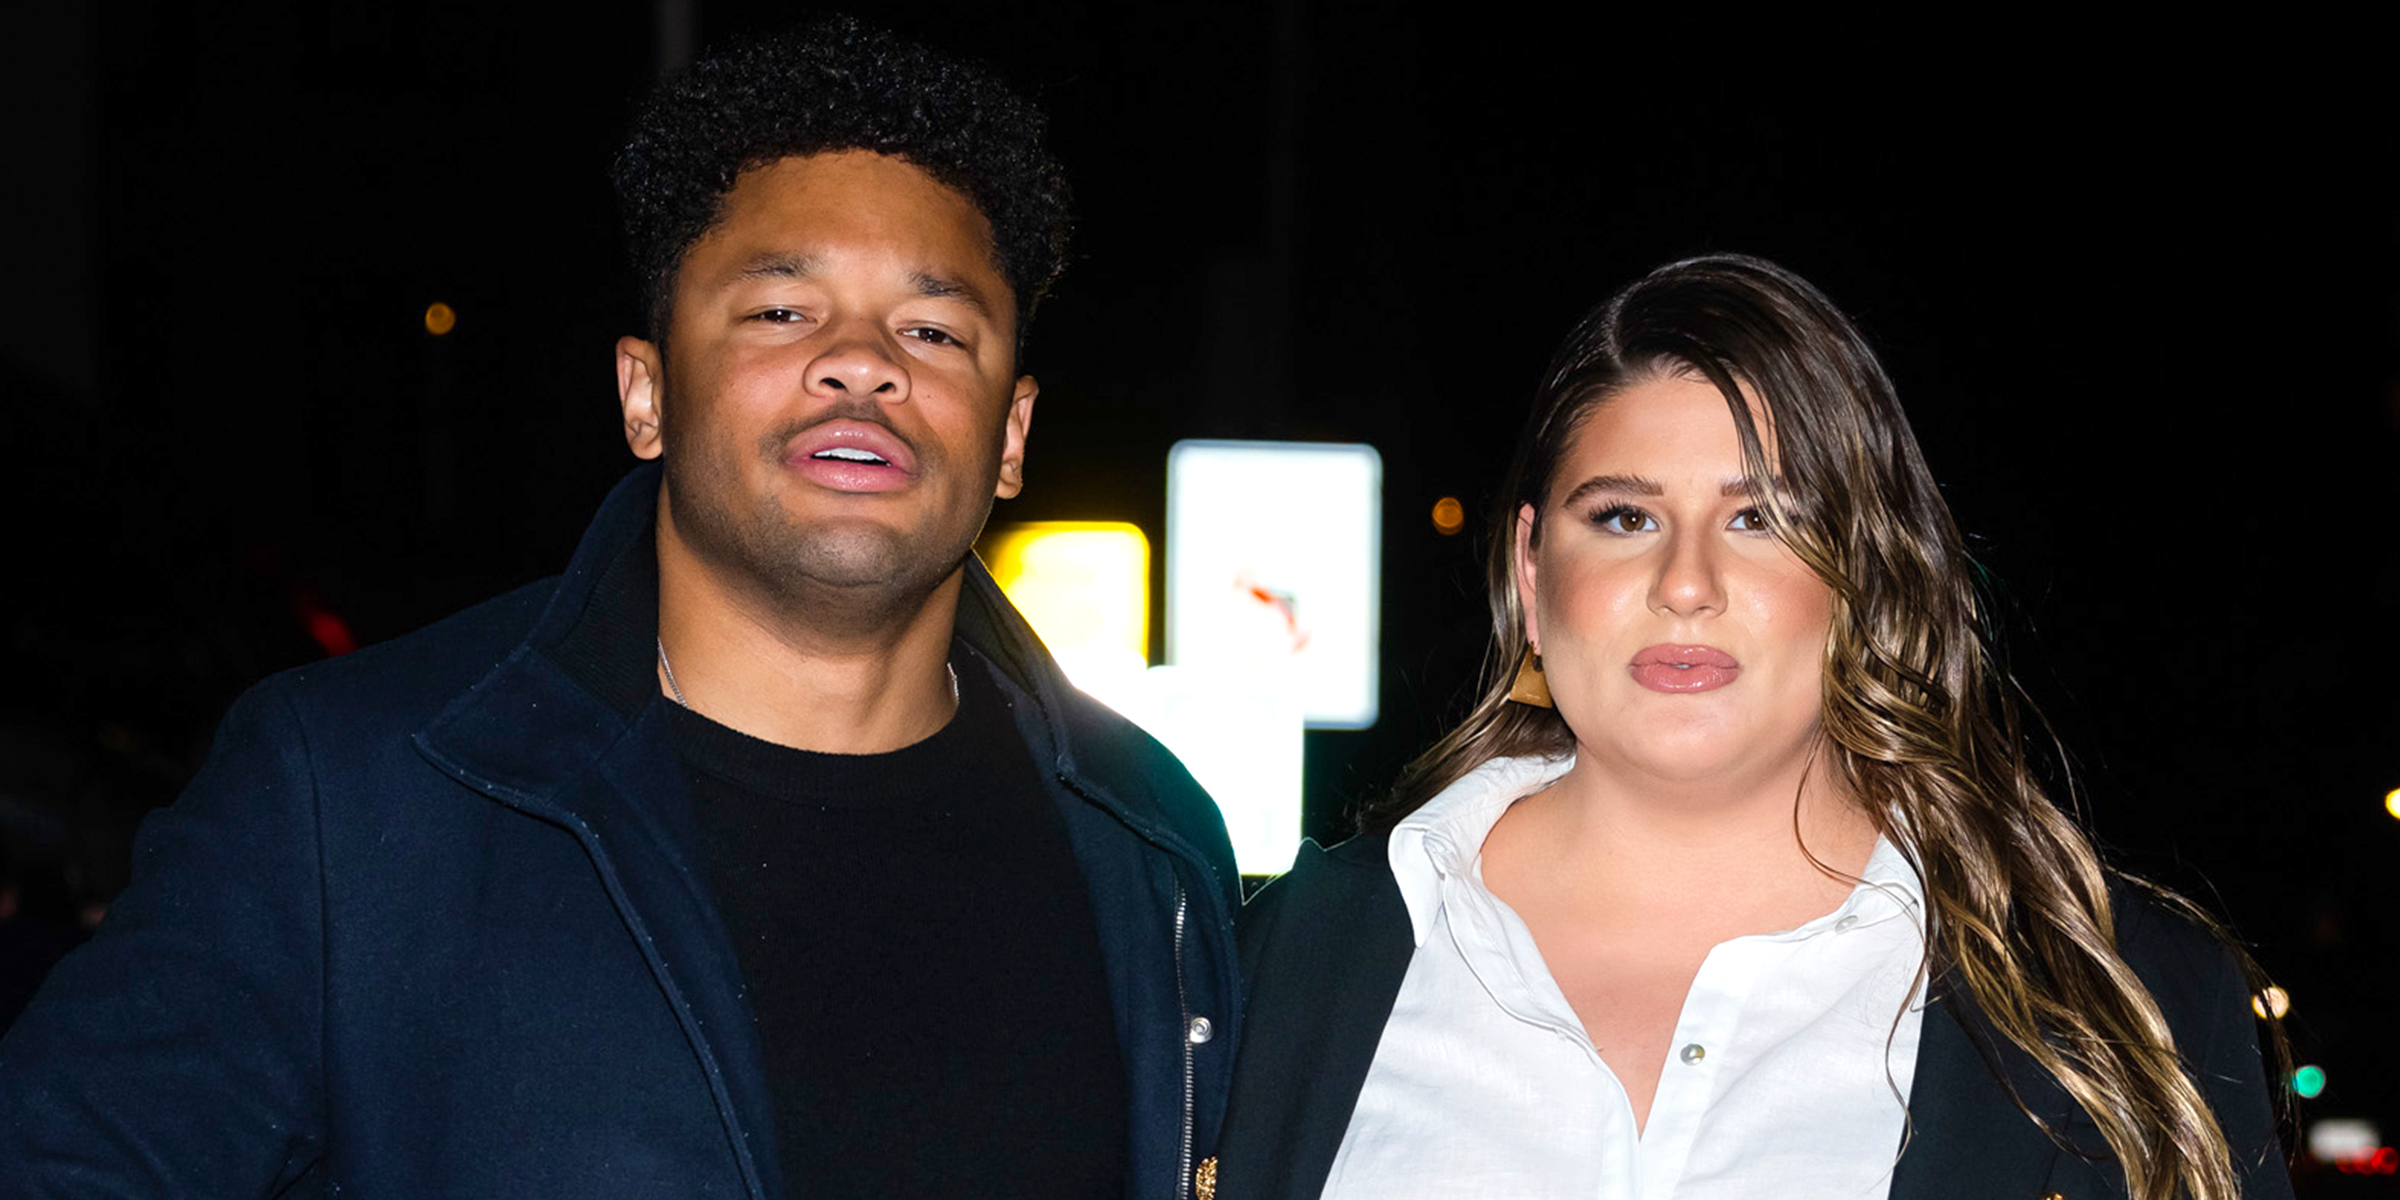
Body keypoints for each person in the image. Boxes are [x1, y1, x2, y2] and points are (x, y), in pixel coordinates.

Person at [0, 18, 1240, 1199]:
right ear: (645, 395)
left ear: (1012, 434)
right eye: (781, 311)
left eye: (931, 327)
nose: (864, 363)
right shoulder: (350, 800)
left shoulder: (1150, 844)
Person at [1214, 255, 2289, 1200]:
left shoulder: (2117, 999)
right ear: (1532, 577)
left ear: (1866, 578)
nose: (1687, 583)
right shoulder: (1280, 968)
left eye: (1759, 518)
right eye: (1625, 518)